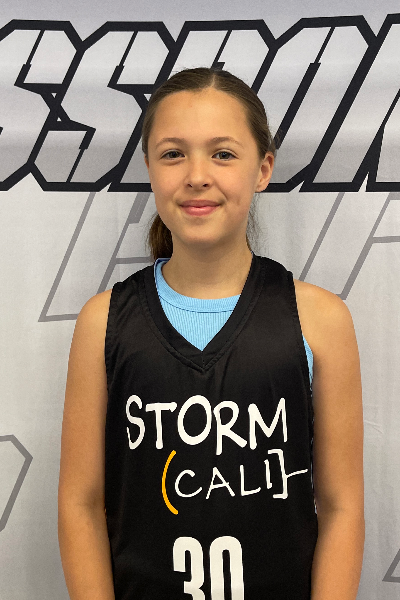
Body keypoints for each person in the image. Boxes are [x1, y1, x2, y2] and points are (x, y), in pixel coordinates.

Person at [58, 67, 364, 600]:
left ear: (262, 169)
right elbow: (80, 504)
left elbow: (342, 506)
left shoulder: (321, 320)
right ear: (150, 168)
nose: (197, 175)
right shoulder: (102, 322)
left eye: (223, 153)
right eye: (173, 154)